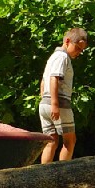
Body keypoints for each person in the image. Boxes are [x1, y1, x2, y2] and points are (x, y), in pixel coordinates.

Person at [39, 27, 88, 164]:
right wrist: (54, 104)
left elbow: (43, 81)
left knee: (51, 141)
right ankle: (63, 172)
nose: (79, 52)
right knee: (70, 141)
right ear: (67, 41)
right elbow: (54, 78)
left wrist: (44, 100)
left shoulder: (52, 57)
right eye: (78, 48)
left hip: (45, 104)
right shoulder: (62, 57)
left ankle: (43, 173)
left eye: (81, 50)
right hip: (59, 103)